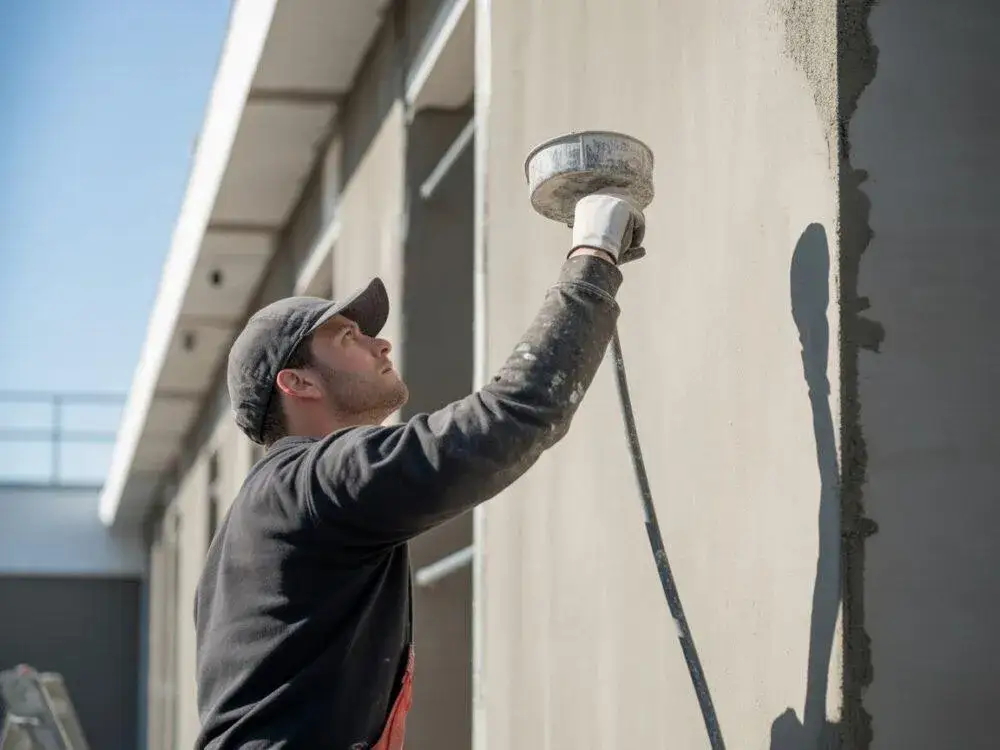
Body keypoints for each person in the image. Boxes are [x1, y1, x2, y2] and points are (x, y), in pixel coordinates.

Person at [193, 188, 647, 749]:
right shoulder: (311, 483)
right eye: (348, 337)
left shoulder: (267, 512)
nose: (380, 345)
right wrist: (593, 256)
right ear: (299, 383)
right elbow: (511, 417)